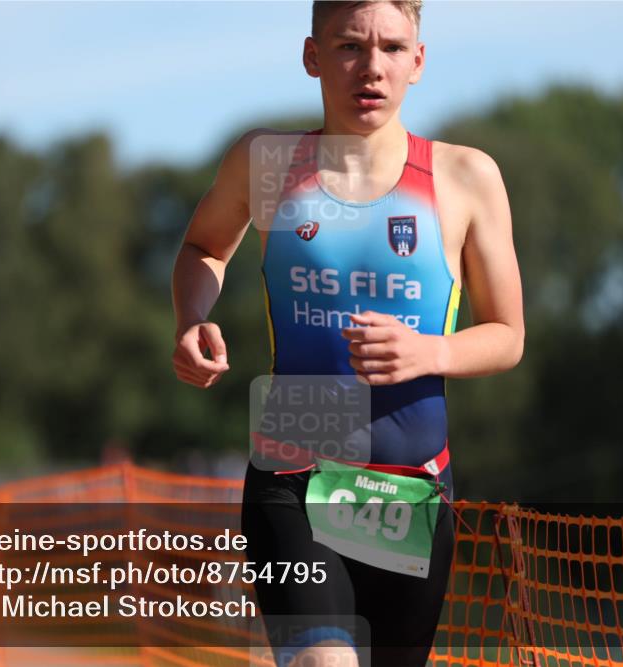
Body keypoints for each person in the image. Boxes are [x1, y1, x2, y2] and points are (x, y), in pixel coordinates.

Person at [172, 1, 524, 665]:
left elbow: (508, 333)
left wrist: (431, 350)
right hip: (293, 475)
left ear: (418, 62)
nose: (372, 68)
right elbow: (202, 247)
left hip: (412, 488)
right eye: (349, 47)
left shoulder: (465, 178)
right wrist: (191, 320)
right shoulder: (267, 161)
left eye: (392, 48)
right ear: (312, 56)